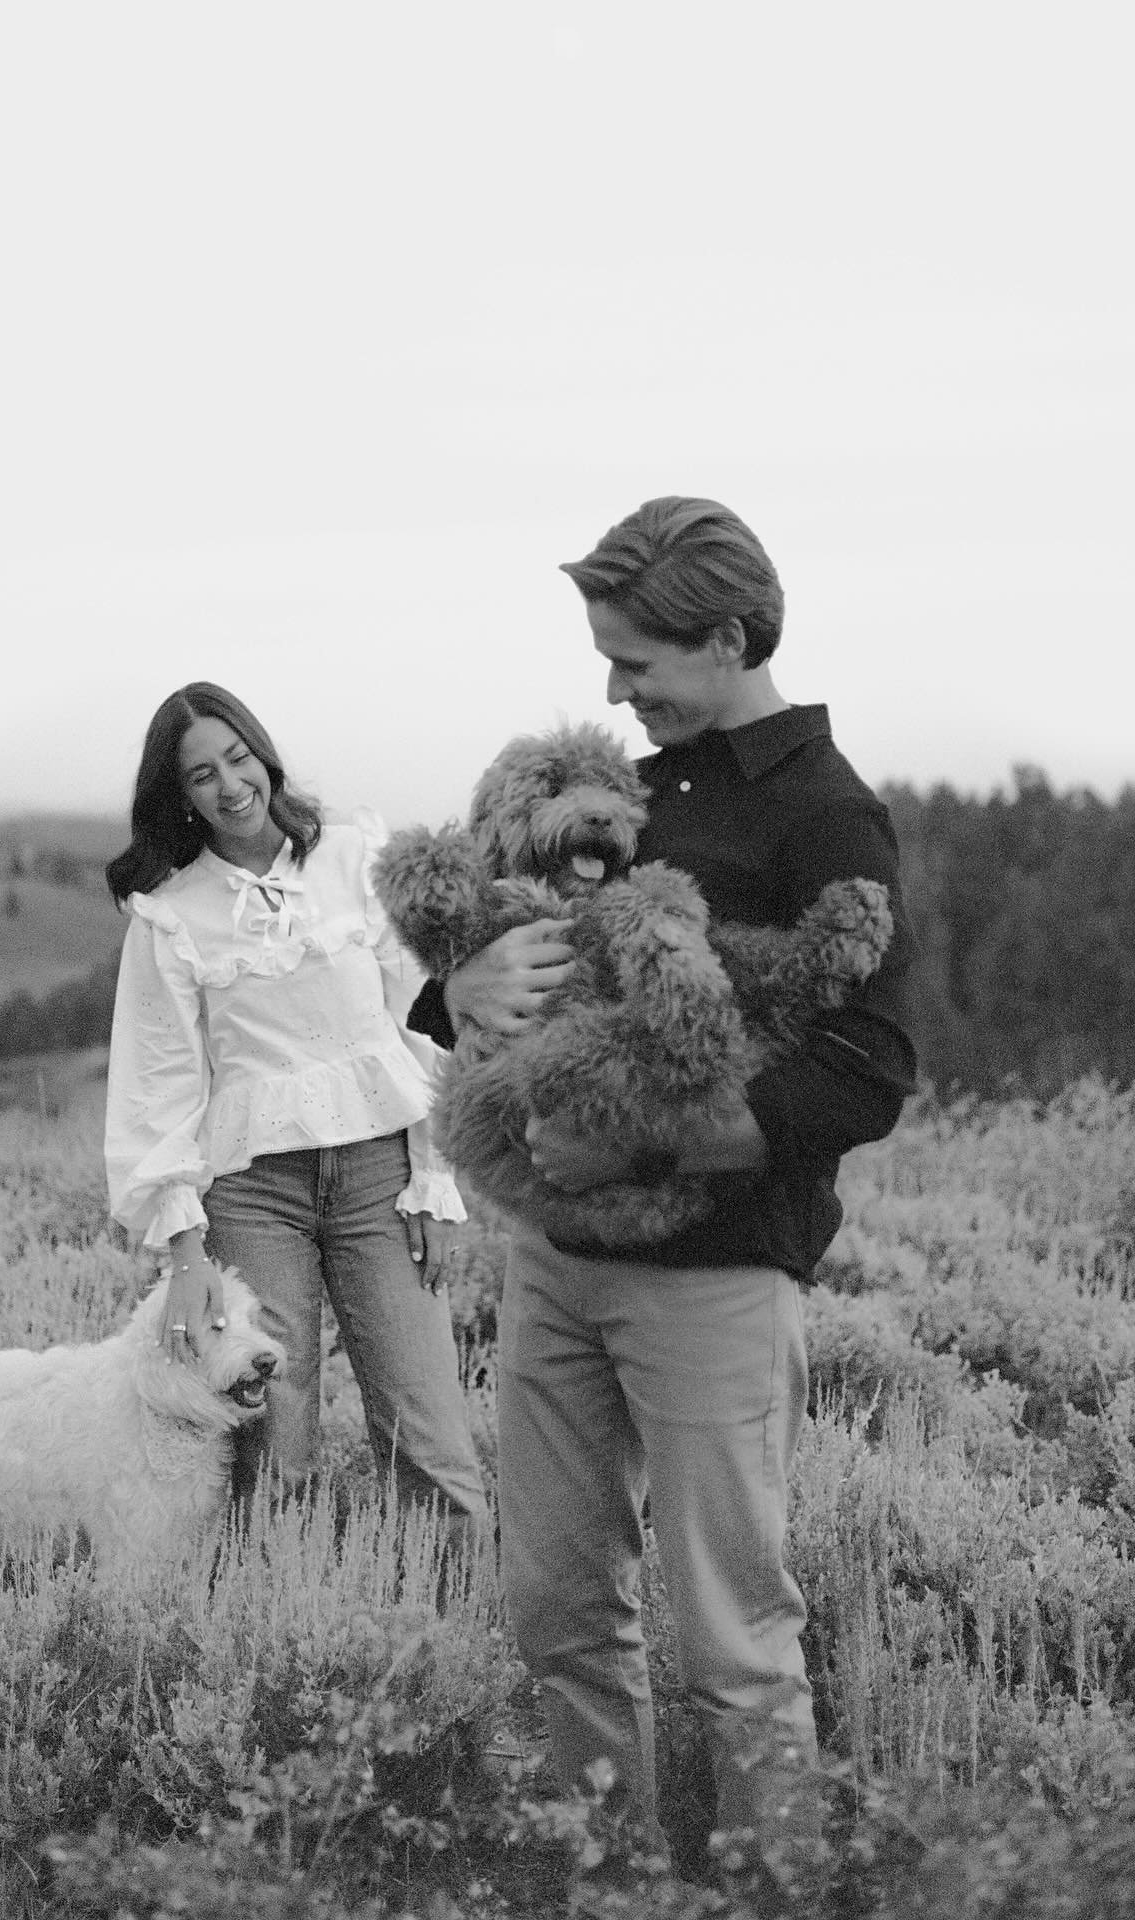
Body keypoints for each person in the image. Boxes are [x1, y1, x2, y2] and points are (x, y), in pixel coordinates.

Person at [407, 497, 917, 1853]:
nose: (614, 689)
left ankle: (778, 1887)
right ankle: (606, 1874)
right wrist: (455, 988)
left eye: (636, 661)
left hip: (718, 1280)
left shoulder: (827, 813)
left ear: (731, 639)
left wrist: (640, 1143)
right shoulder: (634, 790)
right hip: (557, 1265)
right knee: (564, 1614)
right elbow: (505, 945)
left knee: (735, 1638)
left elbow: (866, 1073)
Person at [102, 682, 488, 1557]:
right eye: (202, 776)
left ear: (264, 756)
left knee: (431, 1434)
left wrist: (433, 1177)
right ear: (181, 795)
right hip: (251, 1193)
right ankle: (278, 1647)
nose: (230, 786)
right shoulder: (171, 914)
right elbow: (156, 1086)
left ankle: (465, 1651)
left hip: (380, 1177)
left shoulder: (356, 861)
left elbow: (419, 1024)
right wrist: (187, 1253)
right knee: (275, 1446)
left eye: (238, 759)